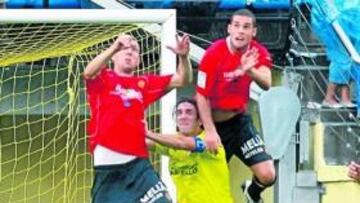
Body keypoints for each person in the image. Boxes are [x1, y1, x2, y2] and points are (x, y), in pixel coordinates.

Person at [83, 33, 192, 203]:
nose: (129, 52)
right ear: (114, 56)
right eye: (124, 48)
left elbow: (182, 80)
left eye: (134, 49)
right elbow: (88, 73)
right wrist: (114, 47)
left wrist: (183, 57)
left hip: (139, 168)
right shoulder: (103, 78)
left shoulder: (144, 84)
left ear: (139, 60)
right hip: (108, 174)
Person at [196, 9, 276, 203]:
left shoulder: (257, 52)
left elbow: (267, 83)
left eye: (246, 27)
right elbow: (201, 95)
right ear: (229, 28)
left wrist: (250, 71)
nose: (241, 31)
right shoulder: (213, 53)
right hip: (212, 126)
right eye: (237, 26)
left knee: (267, 175)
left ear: (253, 32)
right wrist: (210, 131)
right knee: (210, 186)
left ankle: (252, 193)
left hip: (239, 122)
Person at [146, 98, 234, 203]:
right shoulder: (171, 144)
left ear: (200, 120)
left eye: (189, 112)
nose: (183, 116)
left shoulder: (211, 140)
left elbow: (182, 143)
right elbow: (142, 143)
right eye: (179, 113)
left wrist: (149, 133)